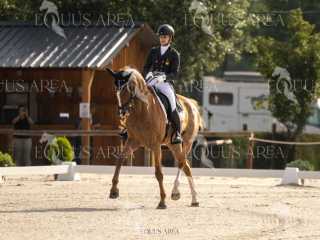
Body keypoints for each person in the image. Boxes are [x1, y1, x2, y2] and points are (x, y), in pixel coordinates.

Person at [143, 24, 182, 144]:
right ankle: (127, 128)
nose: (162, 39)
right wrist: (147, 74)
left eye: (165, 37)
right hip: (151, 80)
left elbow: (175, 74)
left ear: (170, 38)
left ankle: (177, 133)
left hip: (165, 84)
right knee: (137, 96)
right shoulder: (153, 51)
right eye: (161, 37)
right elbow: (145, 67)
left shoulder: (174, 54)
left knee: (172, 103)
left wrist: (164, 77)